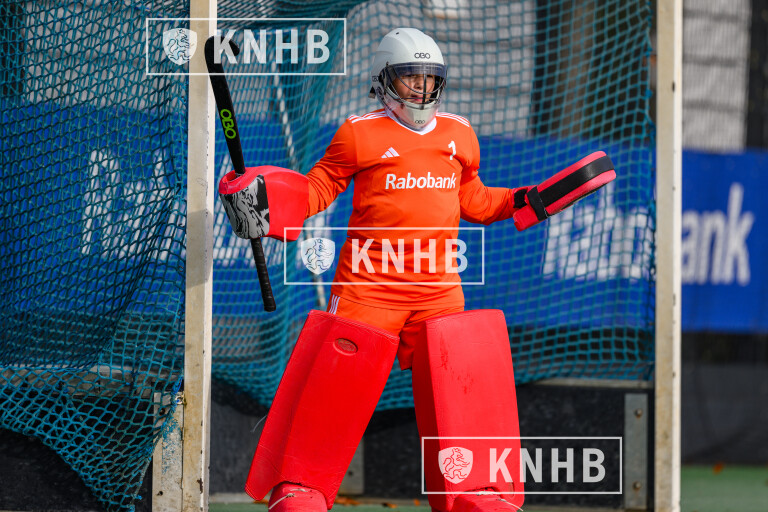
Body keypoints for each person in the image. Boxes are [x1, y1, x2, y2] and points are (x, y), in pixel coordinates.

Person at [226, 27, 533, 512]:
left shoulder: (460, 134)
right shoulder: (359, 133)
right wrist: (268, 200)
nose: (421, 89)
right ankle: (300, 487)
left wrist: (525, 200)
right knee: (334, 385)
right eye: (411, 77)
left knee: (461, 384)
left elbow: (474, 200)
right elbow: (319, 188)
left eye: (430, 79)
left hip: (438, 289)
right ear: (385, 79)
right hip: (367, 288)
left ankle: (475, 491)